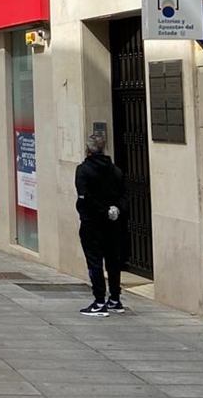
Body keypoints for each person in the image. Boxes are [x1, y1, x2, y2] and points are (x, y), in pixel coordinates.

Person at [75, 134, 128, 317]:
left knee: (94, 261)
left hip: (92, 223)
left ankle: (99, 301)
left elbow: (84, 196)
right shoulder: (116, 171)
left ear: (88, 150)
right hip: (113, 223)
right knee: (113, 261)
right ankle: (115, 298)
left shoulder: (83, 170)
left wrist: (102, 209)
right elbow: (124, 195)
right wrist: (115, 209)